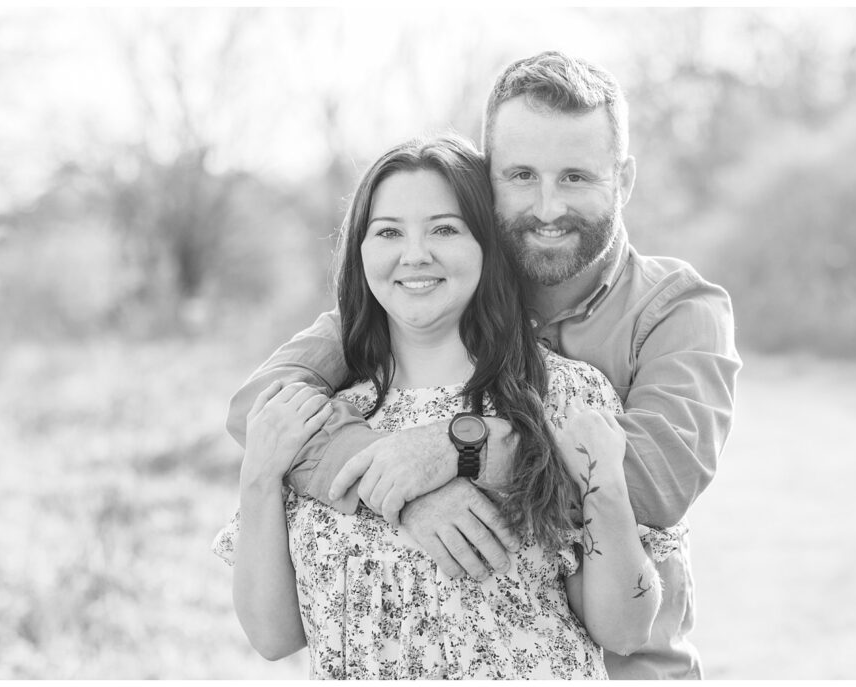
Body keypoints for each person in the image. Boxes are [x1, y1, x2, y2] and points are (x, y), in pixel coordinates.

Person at [225, 51, 741, 679]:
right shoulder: (432, 291)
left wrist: (462, 448)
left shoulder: (675, 312)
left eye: (576, 177)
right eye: (521, 175)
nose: (547, 207)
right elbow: (261, 407)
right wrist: (401, 491)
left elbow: (651, 482)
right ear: (486, 178)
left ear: (623, 179)